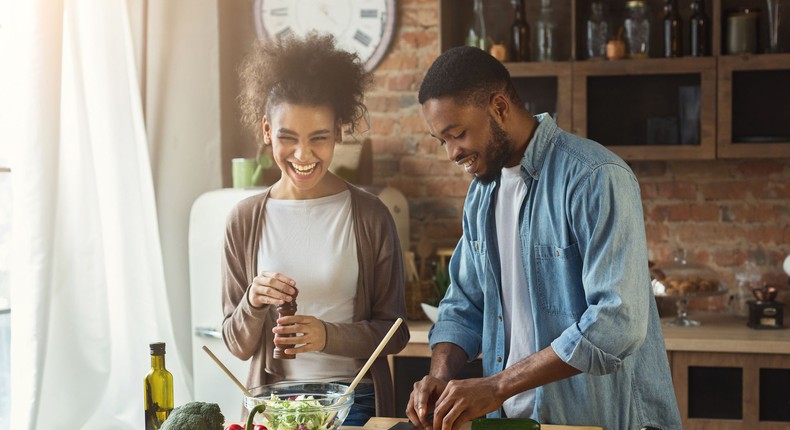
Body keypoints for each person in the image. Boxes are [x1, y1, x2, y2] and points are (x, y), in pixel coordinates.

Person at [405, 46, 682, 430]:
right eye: (442, 141)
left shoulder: (594, 176)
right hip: (512, 421)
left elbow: (616, 322)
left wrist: (497, 385)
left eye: (458, 134)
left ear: (499, 107)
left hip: (599, 421)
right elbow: (463, 305)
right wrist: (439, 376)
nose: (452, 153)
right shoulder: (481, 194)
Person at [221, 33, 409, 424]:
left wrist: (327, 335)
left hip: (353, 400)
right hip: (274, 404)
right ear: (267, 130)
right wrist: (253, 303)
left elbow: (397, 332)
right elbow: (236, 345)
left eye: (319, 138)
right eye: (288, 138)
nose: (303, 155)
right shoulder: (244, 220)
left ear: (339, 131)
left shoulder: (371, 216)